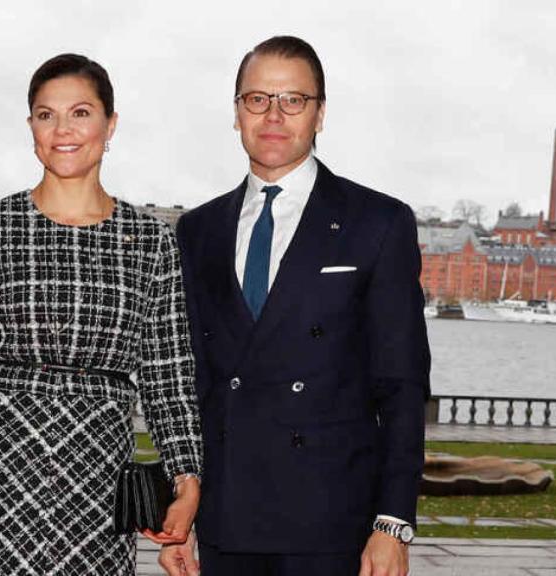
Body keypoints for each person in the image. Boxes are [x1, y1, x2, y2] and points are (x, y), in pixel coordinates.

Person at [0, 53, 203, 576]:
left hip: (98, 479)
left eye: (81, 113)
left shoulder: (151, 244)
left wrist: (187, 482)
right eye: (46, 115)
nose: (63, 130)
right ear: (31, 128)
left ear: (110, 125)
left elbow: (168, 376)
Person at [164, 36, 430, 576]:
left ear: (320, 113)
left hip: (334, 519)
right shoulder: (197, 230)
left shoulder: (378, 222)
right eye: (257, 99)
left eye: (293, 100)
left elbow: (402, 385)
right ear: (237, 112)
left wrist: (393, 522)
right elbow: (188, 385)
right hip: (227, 515)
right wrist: (181, 512)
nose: (274, 115)